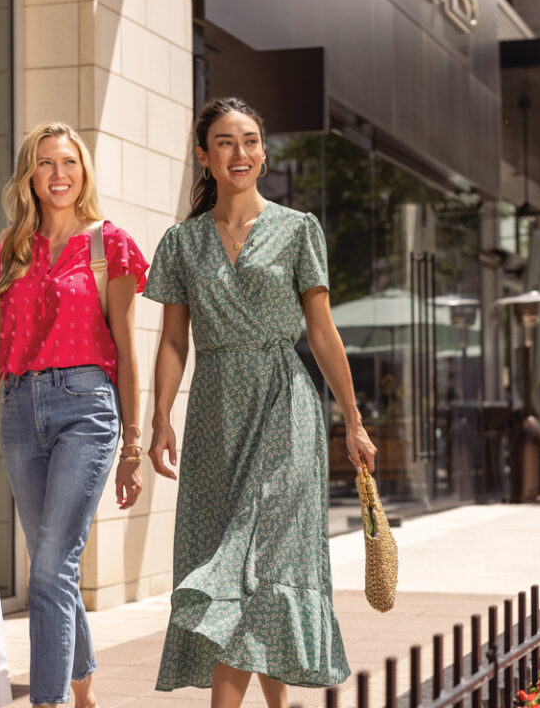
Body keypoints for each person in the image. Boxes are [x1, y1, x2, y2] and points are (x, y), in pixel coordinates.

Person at [144, 97, 377, 707]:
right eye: (225, 142)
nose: (240, 152)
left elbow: (323, 333)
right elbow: (173, 340)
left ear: (264, 152)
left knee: (258, 561)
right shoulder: (181, 242)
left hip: (284, 407)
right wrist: (159, 415)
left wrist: (352, 420)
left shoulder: (299, 229)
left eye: (250, 140)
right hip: (214, 415)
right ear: (204, 156)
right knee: (238, 569)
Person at [0, 122, 148, 708]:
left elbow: (128, 356)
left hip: (87, 409)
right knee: (54, 567)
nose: (59, 174)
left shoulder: (110, 245)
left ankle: (48, 701)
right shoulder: (9, 251)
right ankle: (84, 692)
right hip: (19, 413)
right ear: (29, 175)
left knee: (51, 566)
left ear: (83, 173)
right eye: (46, 163)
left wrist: (133, 447)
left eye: (69, 163)